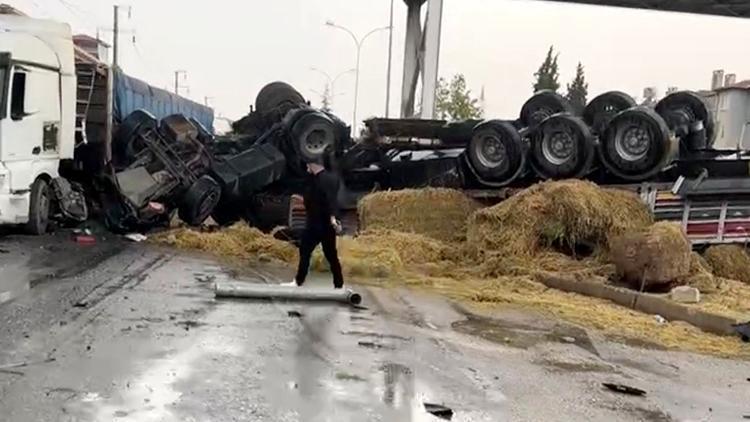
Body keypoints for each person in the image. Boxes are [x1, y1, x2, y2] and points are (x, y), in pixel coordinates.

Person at [283, 160, 344, 289]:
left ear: (313, 164)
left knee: (307, 252)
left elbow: (330, 199)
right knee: (330, 255)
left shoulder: (324, 180)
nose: (306, 168)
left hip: (318, 223)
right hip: (322, 224)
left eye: (307, 165)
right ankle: (339, 284)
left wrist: (334, 218)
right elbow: (316, 198)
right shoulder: (319, 179)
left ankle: (299, 282)